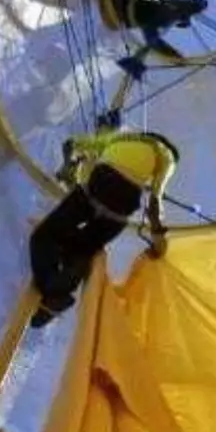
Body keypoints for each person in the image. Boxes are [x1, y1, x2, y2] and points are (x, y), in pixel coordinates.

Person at [27, 128, 178, 328]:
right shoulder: (166, 155)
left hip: (94, 189)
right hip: (120, 210)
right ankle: (55, 296)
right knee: (81, 250)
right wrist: (158, 236)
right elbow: (155, 198)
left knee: (44, 237)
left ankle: (53, 291)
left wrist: (67, 168)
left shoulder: (119, 138)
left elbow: (70, 144)